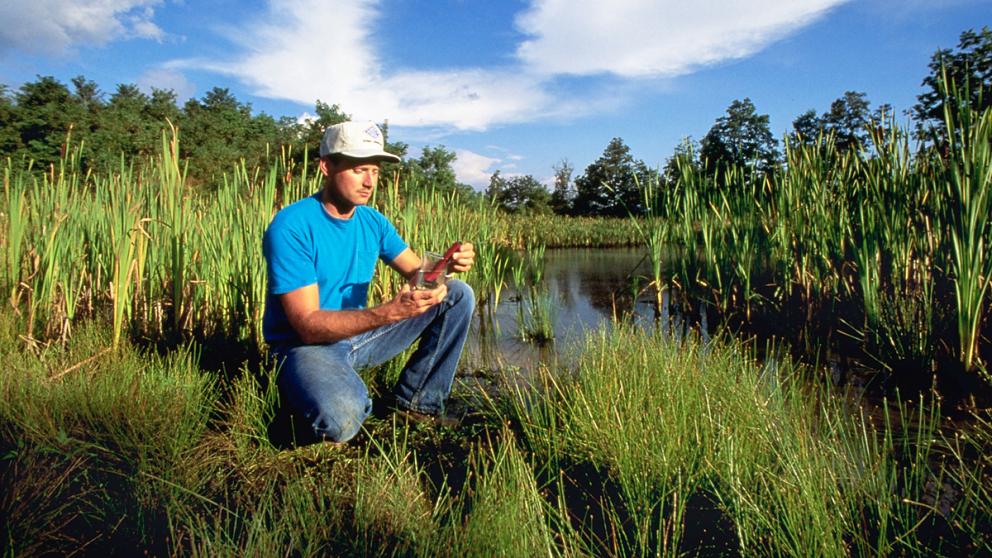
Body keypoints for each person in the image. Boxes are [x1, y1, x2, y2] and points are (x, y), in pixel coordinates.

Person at [262, 120, 475, 445]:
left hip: (358, 337)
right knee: (341, 420)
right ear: (326, 166)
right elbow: (307, 326)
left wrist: (448, 264)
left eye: (375, 171)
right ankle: (314, 395)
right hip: (305, 347)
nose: (369, 182)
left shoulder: (373, 221)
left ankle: (418, 405)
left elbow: (421, 276)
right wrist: (388, 313)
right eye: (359, 170)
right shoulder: (292, 226)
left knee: (457, 295)